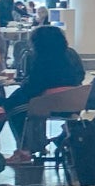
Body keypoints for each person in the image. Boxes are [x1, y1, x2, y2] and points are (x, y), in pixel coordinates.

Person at [5, 24, 86, 164]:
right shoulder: (71, 54)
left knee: (15, 110)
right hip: (73, 103)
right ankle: (52, 141)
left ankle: (25, 148)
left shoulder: (39, 60)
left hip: (45, 104)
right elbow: (81, 75)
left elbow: (32, 88)